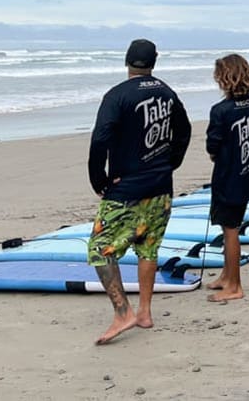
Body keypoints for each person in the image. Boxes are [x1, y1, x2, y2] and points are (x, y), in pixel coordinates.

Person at [86, 39, 191, 345]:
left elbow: (100, 139)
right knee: (148, 245)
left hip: (126, 190)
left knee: (99, 248)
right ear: (154, 63)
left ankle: (123, 312)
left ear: (126, 61)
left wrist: (99, 180)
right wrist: (171, 163)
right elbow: (183, 132)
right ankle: (144, 312)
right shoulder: (167, 93)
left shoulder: (117, 96)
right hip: (160, 186)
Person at [206, 54, 249, 303]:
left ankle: (235, 285)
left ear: (223, 79)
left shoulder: (220, 111)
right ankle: (226, 276)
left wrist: (216, 154)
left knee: (230, 228)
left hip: (227, 177)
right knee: (229, 227)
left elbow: (212, 145)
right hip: (247, 174)